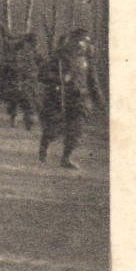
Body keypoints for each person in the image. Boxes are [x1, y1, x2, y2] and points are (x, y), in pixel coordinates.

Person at [38, 29, 106, 169]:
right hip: (60, 99)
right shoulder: (60, 57)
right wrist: (59, 78)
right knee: (54, 129)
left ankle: (66, 158)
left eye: (86, 42)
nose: (83, 45)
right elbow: (42, 75)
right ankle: (44, 147)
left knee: (76, 130)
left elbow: (93, 82)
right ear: (73, 41)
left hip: (79, 100)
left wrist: (101, 102)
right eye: (80, 41)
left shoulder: (87, 61)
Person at [0, 33, 42, 130]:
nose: (33, 46)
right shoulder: (19, 53)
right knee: (15, 100)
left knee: (28, 101)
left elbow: (41, 65)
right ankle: (14, 118)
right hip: (17, 79)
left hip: (29, 80)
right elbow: (13, 65)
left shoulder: (35, 53)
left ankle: (28, 120)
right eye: (32, 43)